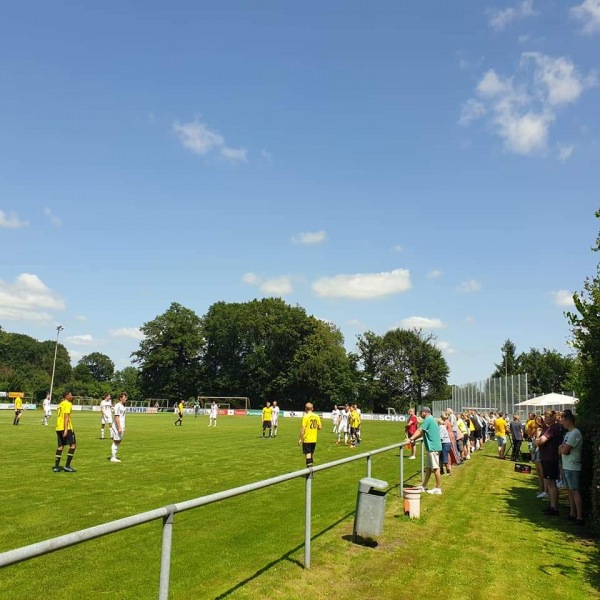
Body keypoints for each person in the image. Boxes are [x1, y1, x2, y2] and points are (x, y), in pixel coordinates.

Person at [407, 406, 443, 495]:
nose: (420, 414)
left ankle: (438, 488)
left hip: (433, 447)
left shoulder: (428, 419)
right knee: (428, 468)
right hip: (432, 447)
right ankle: (423, 486)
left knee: (435, 468)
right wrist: (413, 439)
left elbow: (419, 430)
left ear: (424, 412)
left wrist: (410, 438)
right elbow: (423, 433)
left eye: (421, 412)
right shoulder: (430, 419)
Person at [536, 410, 563, 516]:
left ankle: (554, 507)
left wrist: (537, 441)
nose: (545, 418)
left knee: (551, 483)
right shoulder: (548, 428)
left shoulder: (553, 429)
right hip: (546, 457)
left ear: (553, 417)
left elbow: (540, 441)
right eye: (545, 416)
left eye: (547, 416)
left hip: (551, 458)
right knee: (548, 482)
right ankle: (551, 505)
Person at [560, 412, 584, 525]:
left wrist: (562, 448)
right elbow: (560, 449)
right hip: (566, 465)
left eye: (563, 420)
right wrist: (562, 448)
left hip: (573, 466)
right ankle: (572, 513)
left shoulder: (575, 433)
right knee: (569, 491)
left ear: (569, 420)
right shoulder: (568, 433)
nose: (562, 423)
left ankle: (580, 517)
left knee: (574, 490)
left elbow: (564, 450)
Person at [53, 391, 76, 472]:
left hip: (58, 428)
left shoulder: (60, 404)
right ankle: (67, 466)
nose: (71, 396)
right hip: (66, 428)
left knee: (60, 446)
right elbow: (66, 416)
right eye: (70, 395)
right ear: (66, 396)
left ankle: (56, 467)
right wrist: (66, 429)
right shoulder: (67, 404)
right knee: (73, 446)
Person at [298, 402, 322, 467]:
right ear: (312, 408)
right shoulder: (317, 416)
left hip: (307, 438)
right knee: (311, 454)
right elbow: (320, 427)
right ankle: (311, 470)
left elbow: (303, 428)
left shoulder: (305, 417)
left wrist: (300, 438)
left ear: (305, 409)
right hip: (314, 438)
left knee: (308, 454)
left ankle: (309, 473)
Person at [110, 392, 128, 463]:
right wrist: (119, 427)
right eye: (124, 397)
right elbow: (116, 417)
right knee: (116, 441)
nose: (125, 399)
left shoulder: (123, 406)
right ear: (120, 398)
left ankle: (114, 456)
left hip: (121, 425)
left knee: (118, 441)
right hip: (118, 426)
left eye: (126, 397)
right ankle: (113, 457)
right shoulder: (118, 405)